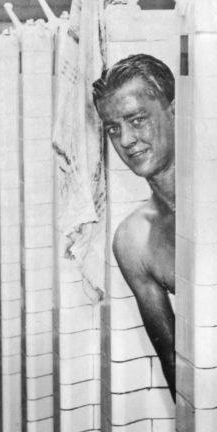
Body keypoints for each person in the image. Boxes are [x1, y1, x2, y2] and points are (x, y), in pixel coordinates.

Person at [92, 54, 176, 400]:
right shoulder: (133, 241)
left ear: (174, 111)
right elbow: (175, 366)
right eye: (113, 128)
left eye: (137, 120)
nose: (125, 140)